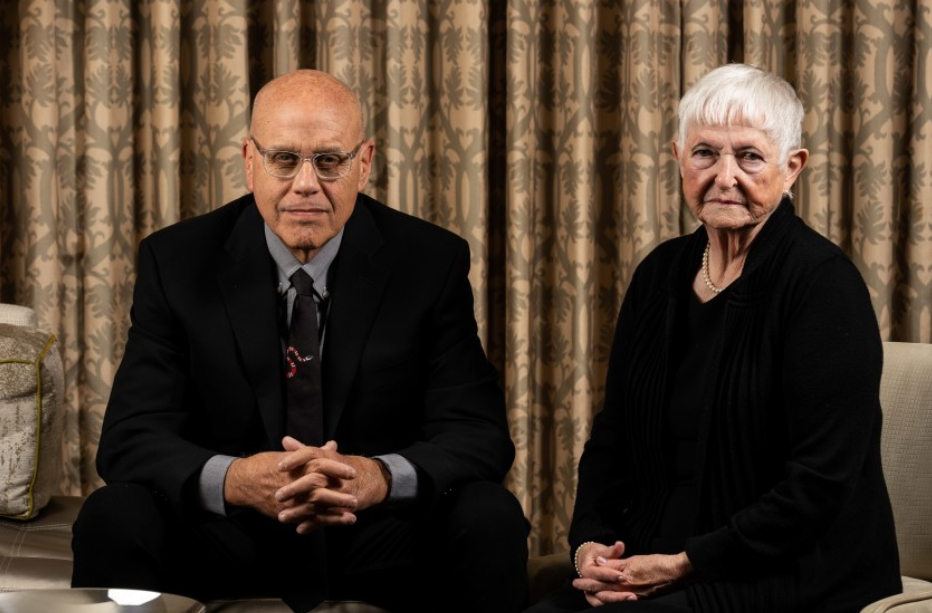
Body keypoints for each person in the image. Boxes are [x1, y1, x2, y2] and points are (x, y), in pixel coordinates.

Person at [71, 70, 529, 613]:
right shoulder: (175, 262)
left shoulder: (430, 262)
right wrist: (238, 480)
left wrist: (377, 477)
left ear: (364, 163)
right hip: (231, 533)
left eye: (329, 161)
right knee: (113, 512)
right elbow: (130, 438)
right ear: (249, 161)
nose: (306, 184)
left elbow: (478, 435)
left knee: (490, 513)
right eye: (284, 159)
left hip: (375, 531)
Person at [525, 64, 901, 613]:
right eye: (705, 153)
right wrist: (590, 544)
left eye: (749, 156)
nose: (725, 176)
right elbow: (613, 439)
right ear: (679, 158)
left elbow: (819, 486)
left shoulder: (823, 285)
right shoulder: (660, 274)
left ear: (791, 168)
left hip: (786, 573)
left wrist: (686, 564)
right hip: (658, 560)